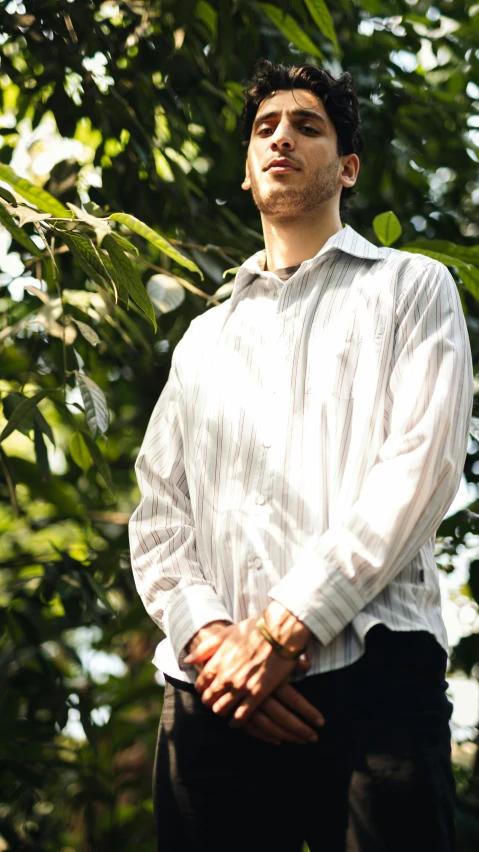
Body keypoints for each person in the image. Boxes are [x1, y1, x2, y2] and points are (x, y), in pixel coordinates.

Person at [129, 60, 473, 852]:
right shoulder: (203, 341)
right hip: (208, 697)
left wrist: (283, 633)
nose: (281, 135)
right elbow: (157, 516)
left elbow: (418, 469)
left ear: (346, 168)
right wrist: (218, 647)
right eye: (264, 128)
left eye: (307, 125)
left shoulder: (413, 289)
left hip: (374, 679)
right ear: (248, 175)